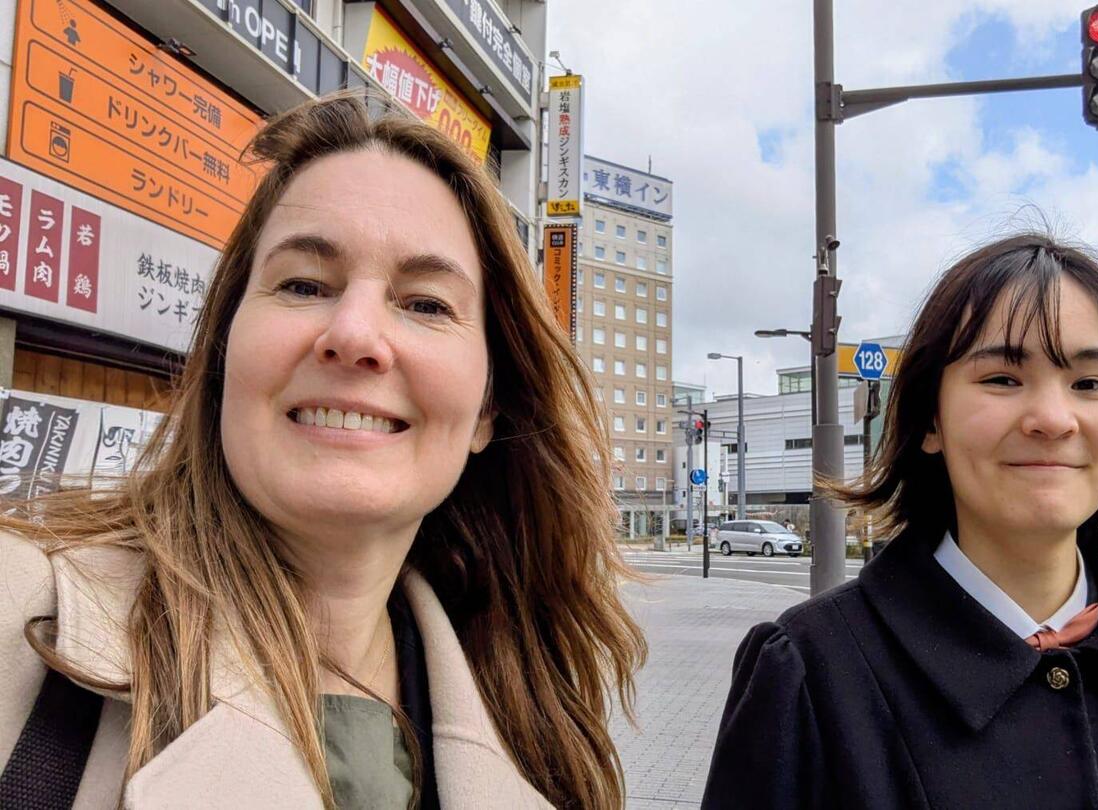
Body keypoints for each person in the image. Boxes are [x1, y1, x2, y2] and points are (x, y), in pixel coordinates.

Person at [0, 94, 644, 809]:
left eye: (426, 304)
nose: (355, 335)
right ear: (224, 352)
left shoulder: (536, 719)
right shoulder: (20, 619)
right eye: (304, 285)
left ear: (489, 408)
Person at [701, 233, 1098, 809]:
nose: (1053, 419)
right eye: (1002, 379)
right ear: (931, 419)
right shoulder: (810, 674)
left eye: (1090, 384)